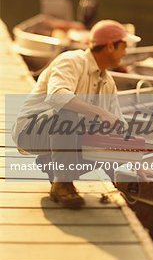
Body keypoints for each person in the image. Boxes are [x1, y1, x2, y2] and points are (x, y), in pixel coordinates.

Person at [11, 19, 141, 209]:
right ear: (111, 46)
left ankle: (50, 165)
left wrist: (137, 162)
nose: (126, 52)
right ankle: (63, 183)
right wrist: (99, 113)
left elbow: (119, 126)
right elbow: (57, 97)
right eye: (124, 46)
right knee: (68, 113)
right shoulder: (71, 61)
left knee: (109, 138)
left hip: (59, 135)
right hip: (30, 132)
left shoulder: (108, 81)